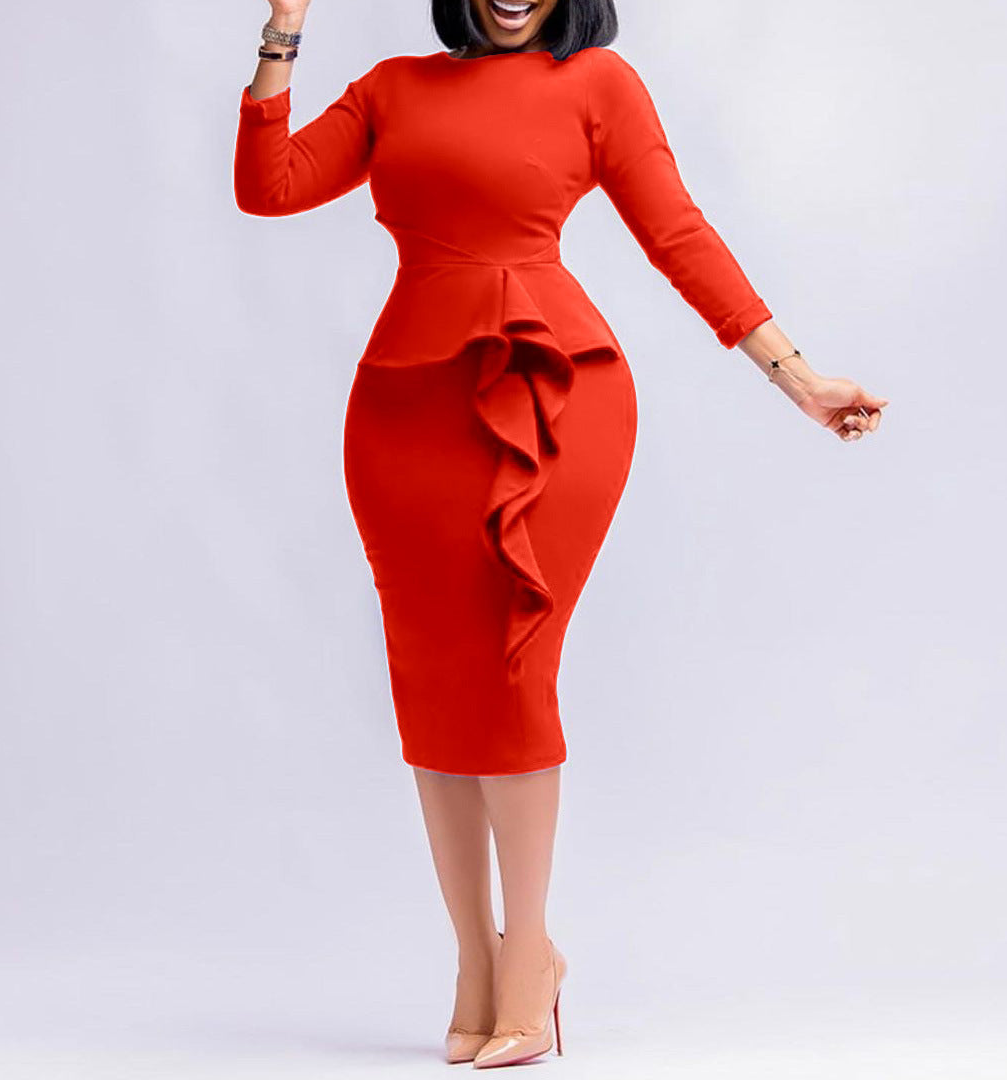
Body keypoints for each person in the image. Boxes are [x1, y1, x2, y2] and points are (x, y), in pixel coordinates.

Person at [233, 0, 889, 1067]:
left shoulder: (597, 88)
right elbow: (268, 190)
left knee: (511, 665)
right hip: (407, 406)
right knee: (431, 670)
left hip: (557, 393)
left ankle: (529, 954)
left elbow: (678, 234)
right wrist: (283, 28)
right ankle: (475, 962)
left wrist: (800, 377)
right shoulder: (397, 87)